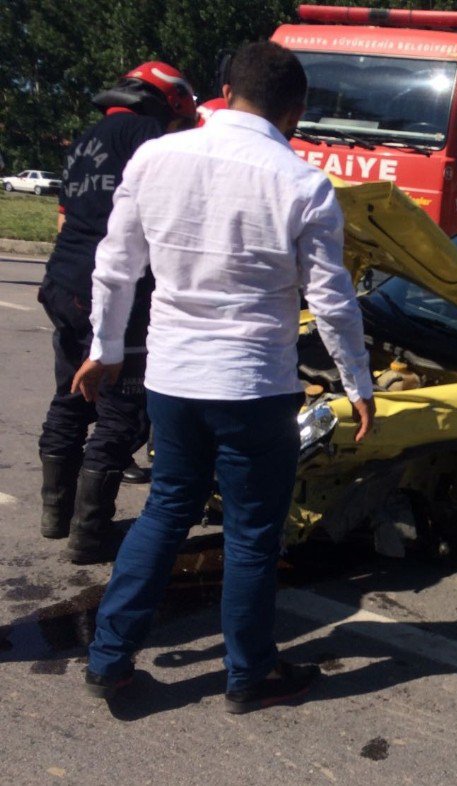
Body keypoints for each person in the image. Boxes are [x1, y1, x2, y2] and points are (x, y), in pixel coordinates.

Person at [71, 40, 376, 713]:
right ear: (294, 112)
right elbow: (331, 300)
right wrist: (358, 383)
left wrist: (105, 347)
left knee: (165, 509)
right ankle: (248, 676)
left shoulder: (156, 157)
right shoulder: (302, 183)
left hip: (174, 378)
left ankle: (108, 660)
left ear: (225, 89)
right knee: (250, 534)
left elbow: (116, 265)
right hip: (255, 386)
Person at [38, 62, 198, 564]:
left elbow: (71, 211)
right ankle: (89, 536)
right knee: (121, 412)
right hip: (111, 288)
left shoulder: (88, 139)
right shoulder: (151, 137)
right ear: (171, 103)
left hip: (62, 280)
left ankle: (55, 515)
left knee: (71, 394)